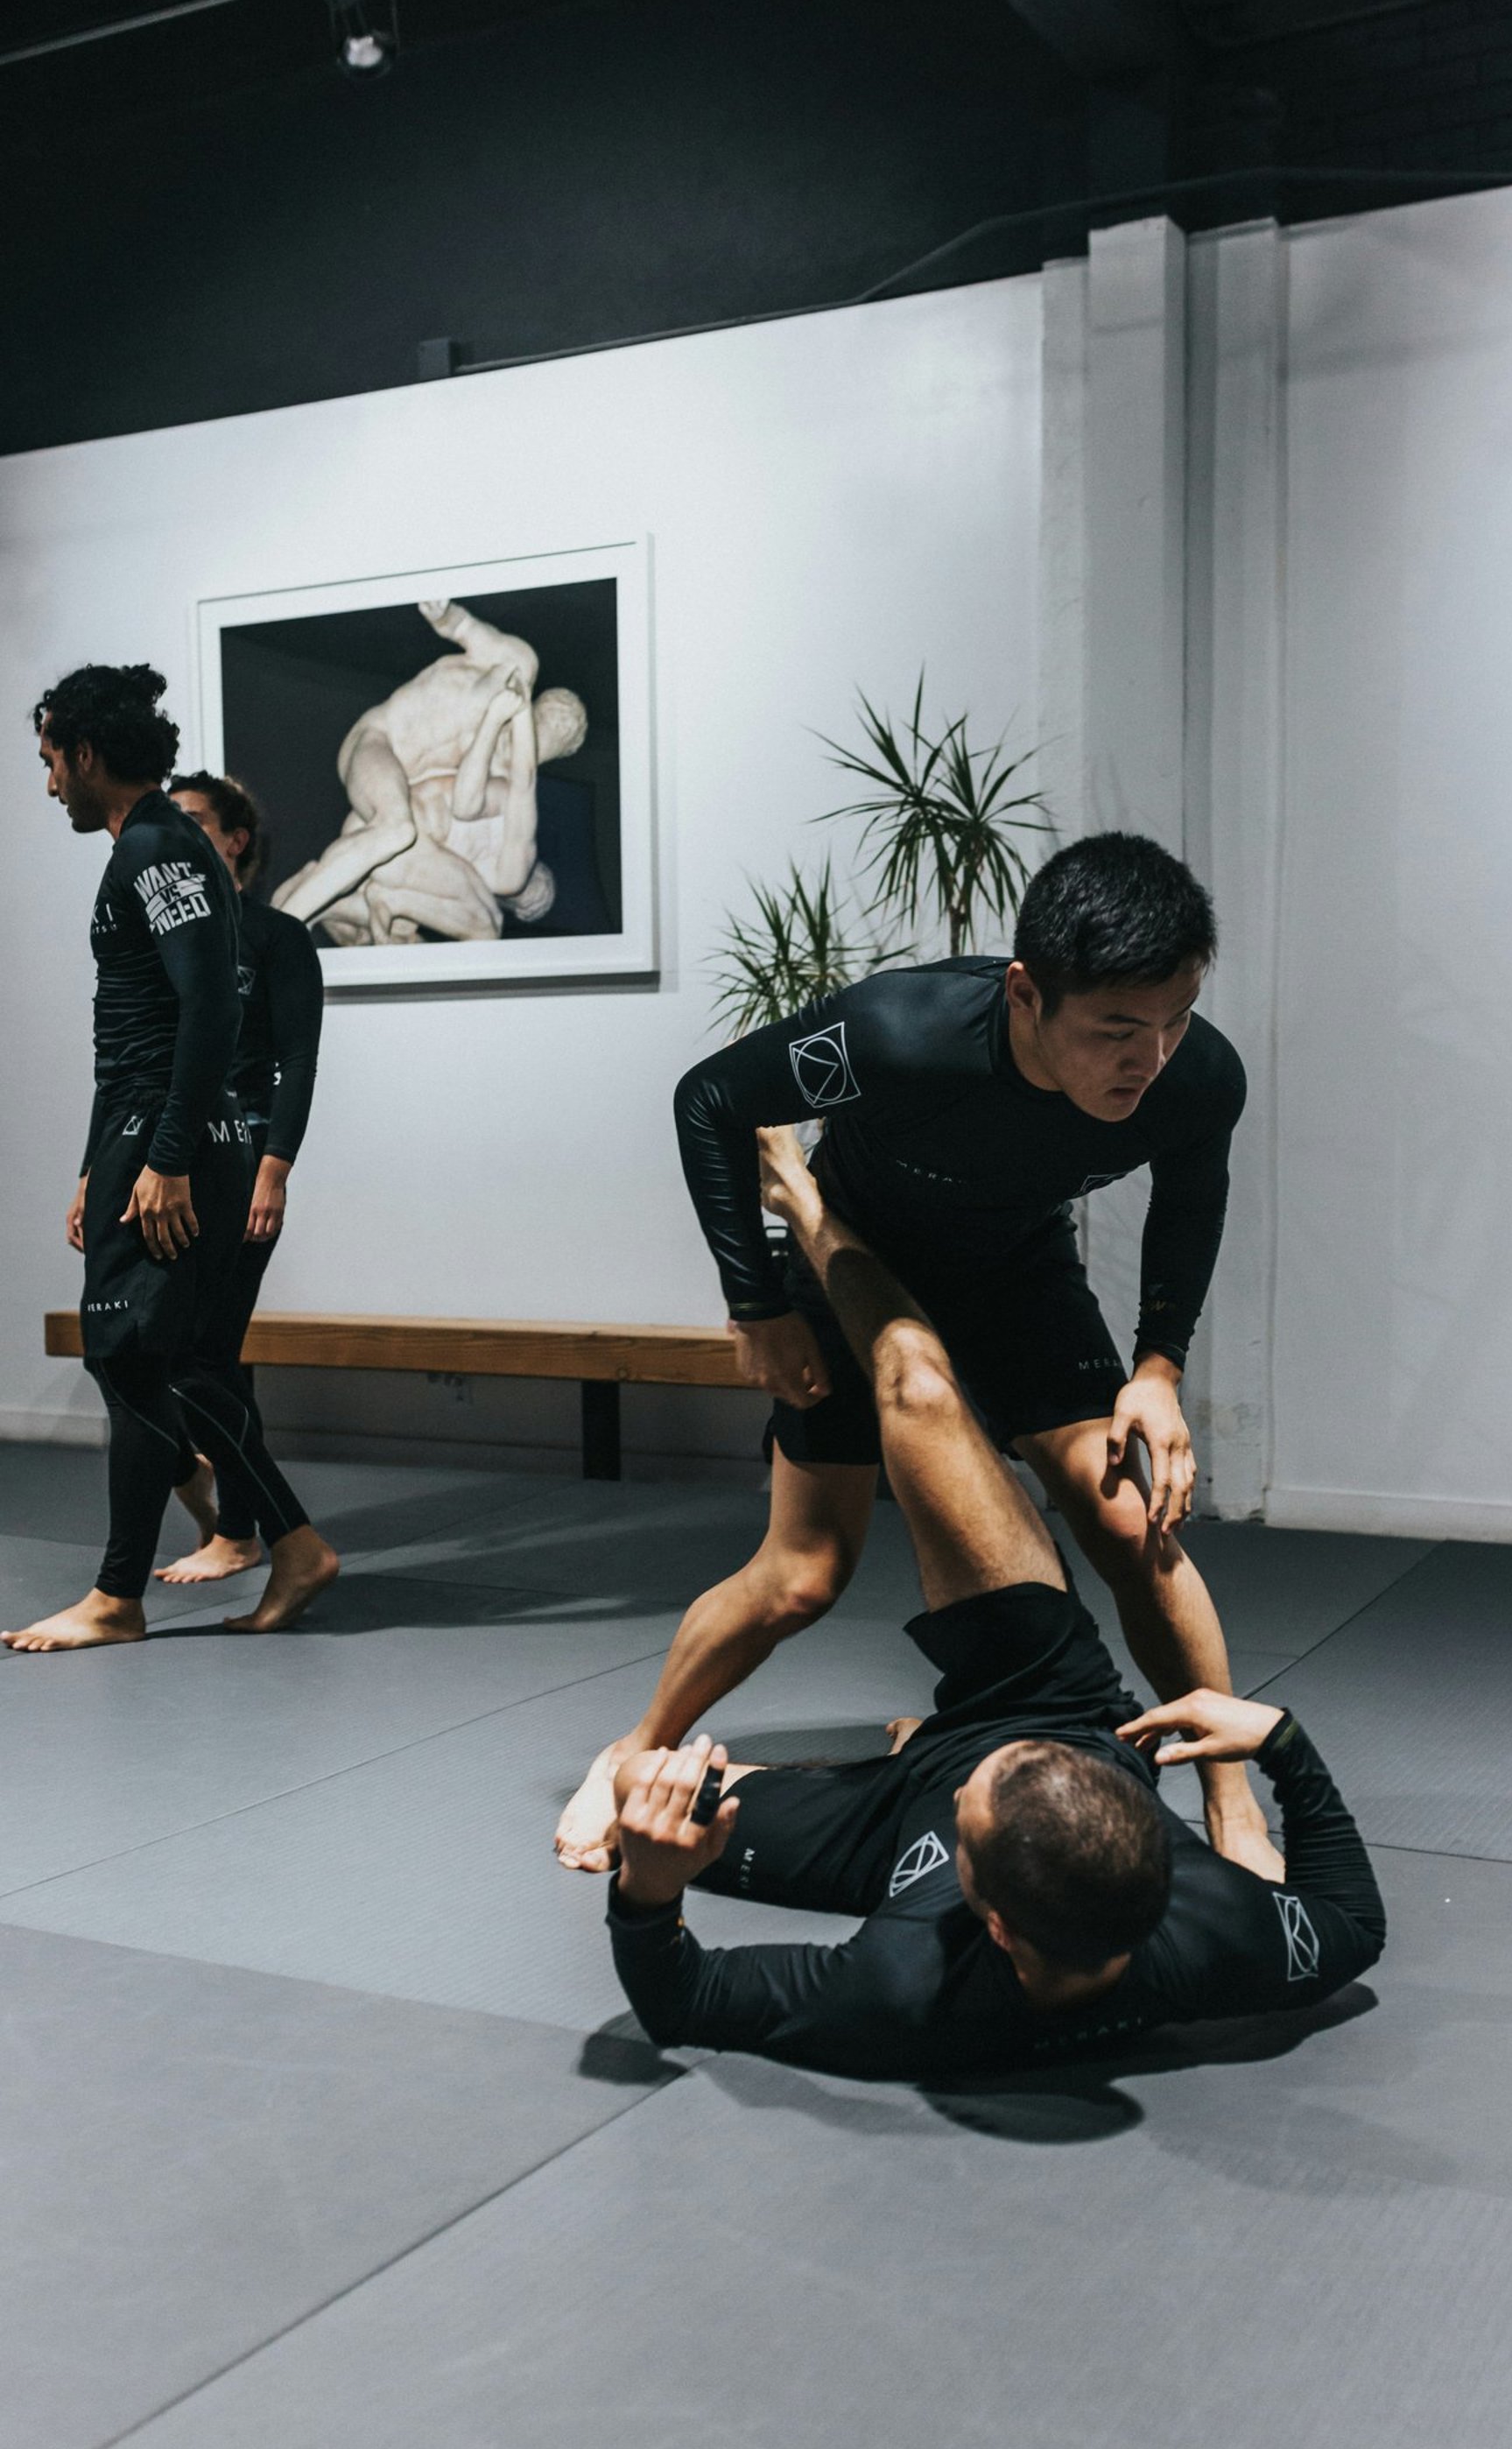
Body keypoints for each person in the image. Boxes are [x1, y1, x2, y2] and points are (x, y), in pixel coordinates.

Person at [559, 833, 1277, 1878]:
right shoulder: (899, 1033)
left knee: (1131, 1518)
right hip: (857, 1261)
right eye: (1118, 1030)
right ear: (1027, 994)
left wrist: (1158, 1371)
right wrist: (758, 1306)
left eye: (1174, 1020)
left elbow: (1191, 1199)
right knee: (803, 1576)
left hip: (1017, 1270)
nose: (1149, 1058)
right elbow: (711, 1099)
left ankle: (1232, 1802)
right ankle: (635, 1748)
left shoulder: (1197, 1077)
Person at [601, 1129, 1385, 2081]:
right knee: (920, 1393)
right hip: (1050, 1699)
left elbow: (683, 2000)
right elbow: (1354, 1925)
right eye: (1016, 1773)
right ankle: (813, 1210)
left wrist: (646, 1891)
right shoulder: (1223, 1939)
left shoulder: (900, 1988)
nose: (982, 1775)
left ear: (992, 1921)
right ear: (1155, 1863)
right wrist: (1281, 1745)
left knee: (637, 1816)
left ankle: (806, 1208)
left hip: (884, 1831)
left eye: (979, 1798)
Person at [7, 667, 337, 1653]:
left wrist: (169, 1156)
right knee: (169, 1364)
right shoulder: (159, 848)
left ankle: (125, 1594)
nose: (49, 784)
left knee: (131, 1355)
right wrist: (92, 1163)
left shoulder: (156, 846)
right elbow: (142, 1028)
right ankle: (283, 1543)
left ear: (86, 754)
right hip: (141, 1135)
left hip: (169, 1143)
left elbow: (213, 1010)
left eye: (50, 762)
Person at [148, 772, 332, 1615]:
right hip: (170, 1167)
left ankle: (243, 1529)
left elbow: (299, 1061)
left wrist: (275, 1169)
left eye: (195, 824)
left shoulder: (276, 936)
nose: (181, 839)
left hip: (240, 1169)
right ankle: (240, 1521)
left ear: (234, 841)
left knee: (203, 1355)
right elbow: (137, 1062)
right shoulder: (165, 938)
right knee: (192, 1354)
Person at [272, 598, 585, 944]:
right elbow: (460, 626)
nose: (555, 725)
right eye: (555, 714)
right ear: (539, 704)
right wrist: (445, 611)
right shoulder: (515, 668)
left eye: (563, 732)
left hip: (397, 815)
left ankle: (319, 902)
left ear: (559, 753)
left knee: (474, 923)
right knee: (396, 828)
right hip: (380, 742)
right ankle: (282, 928)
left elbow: (483, 821)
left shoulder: (500, 784)